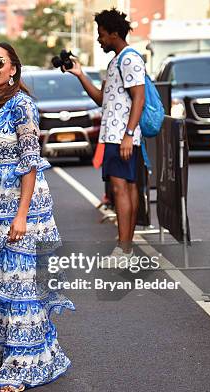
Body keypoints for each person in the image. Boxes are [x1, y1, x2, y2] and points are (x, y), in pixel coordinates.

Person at [0, 43, 74, 392]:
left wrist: (22, 215)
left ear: (13, 69)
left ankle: (23, 366)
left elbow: (29, 164)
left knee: (22, 287)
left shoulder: (22, 105)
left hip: (22, 213)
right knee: (5, 289)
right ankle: (22, 352)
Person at [64, 8, 145, 265]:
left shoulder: (130, 59)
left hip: (121, 137)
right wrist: (80, 74)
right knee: (126, 189)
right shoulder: (116, 61)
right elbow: (102, 99)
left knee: (123, 190)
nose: (99, 39)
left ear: (113, 33)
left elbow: (139, 98)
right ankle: (126, 249)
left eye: (101, 34)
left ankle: (124, 251)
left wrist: (128, 135)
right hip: (115, 135)